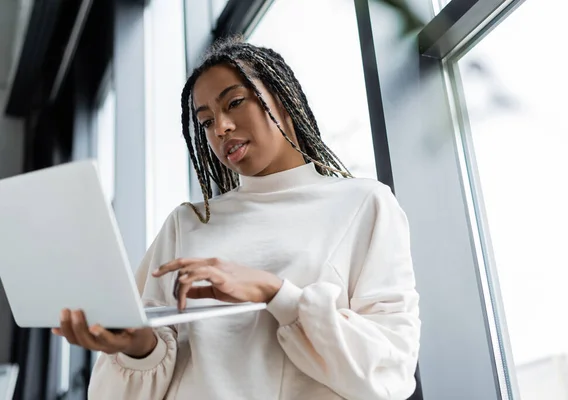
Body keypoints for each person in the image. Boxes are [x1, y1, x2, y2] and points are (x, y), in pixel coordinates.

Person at [52, 36, 421, 400]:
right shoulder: (188, 223)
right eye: (206, 121)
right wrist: (139, 347)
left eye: (235, 102)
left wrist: (274, 292)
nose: (221, 128)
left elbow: (389, 371)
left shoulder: (363, 204)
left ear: (285, 98)